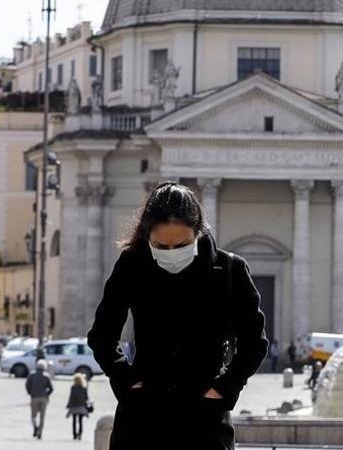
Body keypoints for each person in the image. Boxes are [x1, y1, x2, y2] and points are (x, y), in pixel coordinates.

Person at [88, 181, 268, 450]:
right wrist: (126, 382)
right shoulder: (132, 265)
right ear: (147, 235)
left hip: (205, 422)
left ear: (198, 232)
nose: (171, 252)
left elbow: (255, 344)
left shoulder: (230, 270)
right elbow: (101, 336)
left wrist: (224, 389)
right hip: (141, 419)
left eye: (182, 244)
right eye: (161, 245)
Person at [25, 359, 54, 439]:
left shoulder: (32, 375)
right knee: (42, 416)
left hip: (34, 397)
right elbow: (51, 388)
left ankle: (35, 427)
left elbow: (27, 385)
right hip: (44, 398)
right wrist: (47, 394)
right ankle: (40, 433)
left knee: (33, 415)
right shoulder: (47, 376)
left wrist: (30, 392)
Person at [66, 372, 91, 440]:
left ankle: (74, 434)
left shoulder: (73, 387)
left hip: (74, 406)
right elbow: (87, 398)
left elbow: (71, 397)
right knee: (80, 421)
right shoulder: (84, 388)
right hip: (81, 406)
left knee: (74, 421)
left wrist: (68, 405)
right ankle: (80, 434)